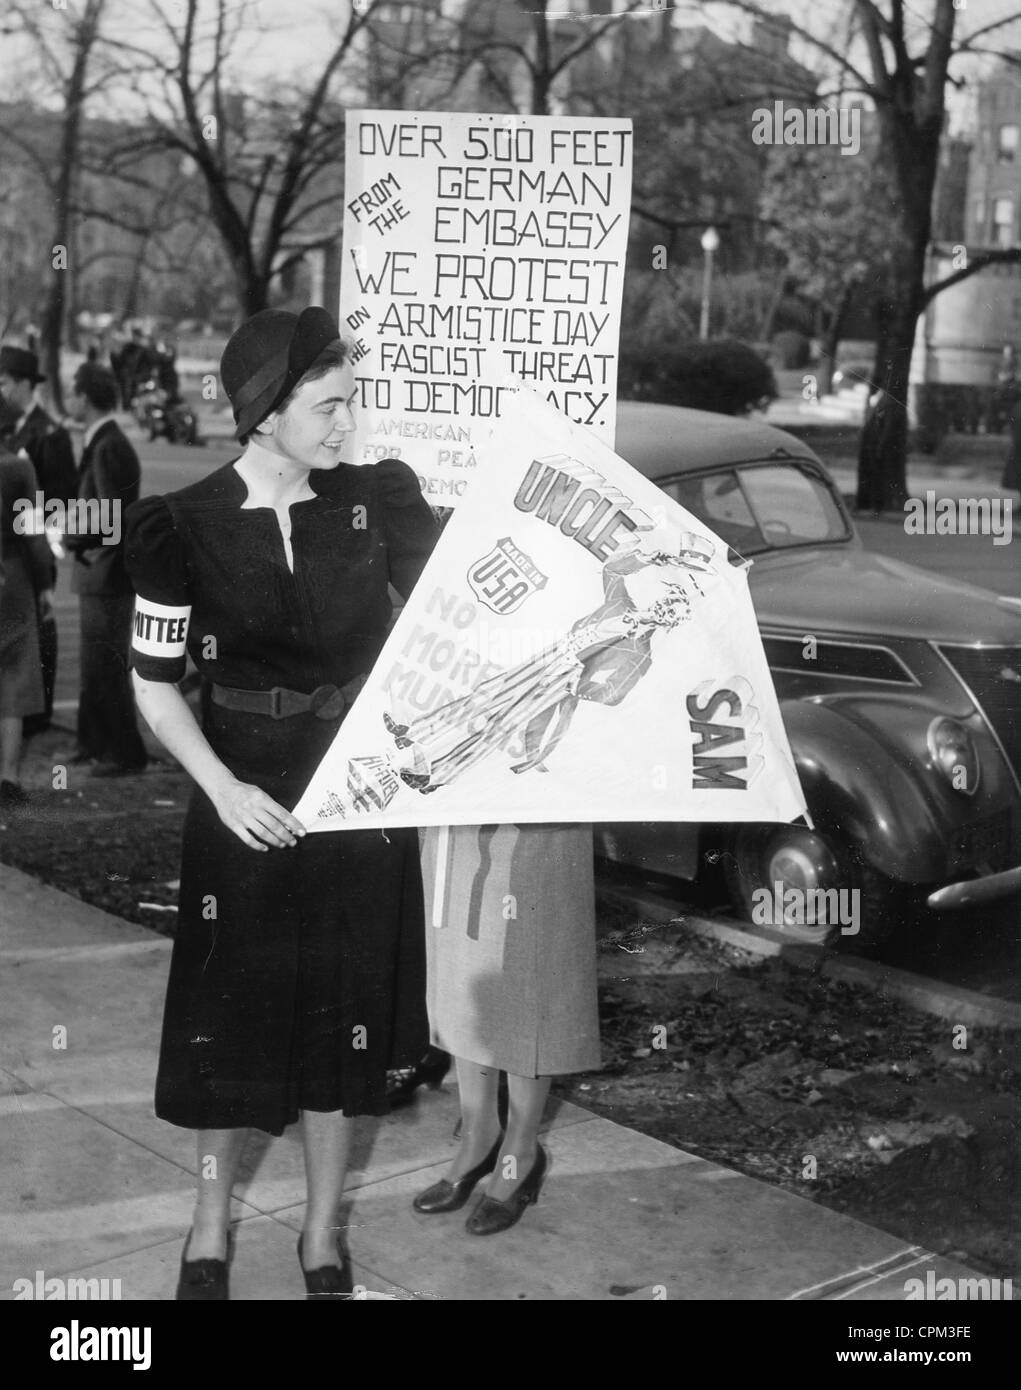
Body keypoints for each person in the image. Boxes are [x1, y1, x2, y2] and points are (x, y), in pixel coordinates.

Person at [124, 307, 438, 1300]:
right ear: (265, 413)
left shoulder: (377, 500)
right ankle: (208, 1227)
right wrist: (222, 789)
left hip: (352, 796)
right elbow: (152, 681)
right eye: (329, 406)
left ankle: (319, 1235)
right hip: (242, 797)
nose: (349, 425)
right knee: (231, 1022)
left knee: (341, 1021)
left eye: (351, 403)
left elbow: (455, 613)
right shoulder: (183, 525)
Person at [64, 363, 148, 775]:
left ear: (85, 397)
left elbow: (110, 518)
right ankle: (95, 743)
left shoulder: (107, 447)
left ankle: (124, 752)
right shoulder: (103, 443)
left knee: (106, 665)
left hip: (107, 575)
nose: (71, 400)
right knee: (94, 665)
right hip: (99, 573)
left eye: (74, 393)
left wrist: (67, 534)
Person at [0, 345, 78, 735]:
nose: (1, 390)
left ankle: (38, 713)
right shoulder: (9, 426)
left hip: (34, 542)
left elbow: (62, 498)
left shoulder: (51, 434)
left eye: (5, 383)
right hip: (11, 546)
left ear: (26, 385)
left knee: (38, 630)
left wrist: (47, 546)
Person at [0, 444, 54, 804]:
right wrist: (45, 583)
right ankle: (7, 777)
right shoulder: (19, 467)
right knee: (14, 676)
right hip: (11, 576)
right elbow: (33, 533)